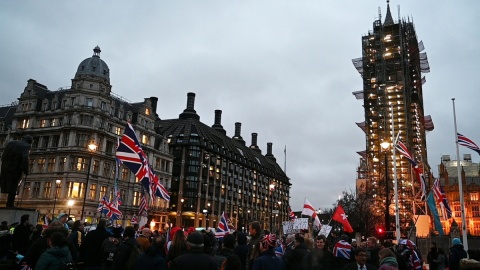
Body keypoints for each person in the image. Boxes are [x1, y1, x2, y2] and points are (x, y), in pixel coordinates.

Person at [0, 135, 32, 207]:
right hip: (16, 168)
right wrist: (26, 170)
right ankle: (10, 203)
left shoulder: (11, 142)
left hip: (5, 167)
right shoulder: (26, 146)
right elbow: (25, 159)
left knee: (4, 183)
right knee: (14, 186)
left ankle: (9, 203)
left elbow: (3, 155)